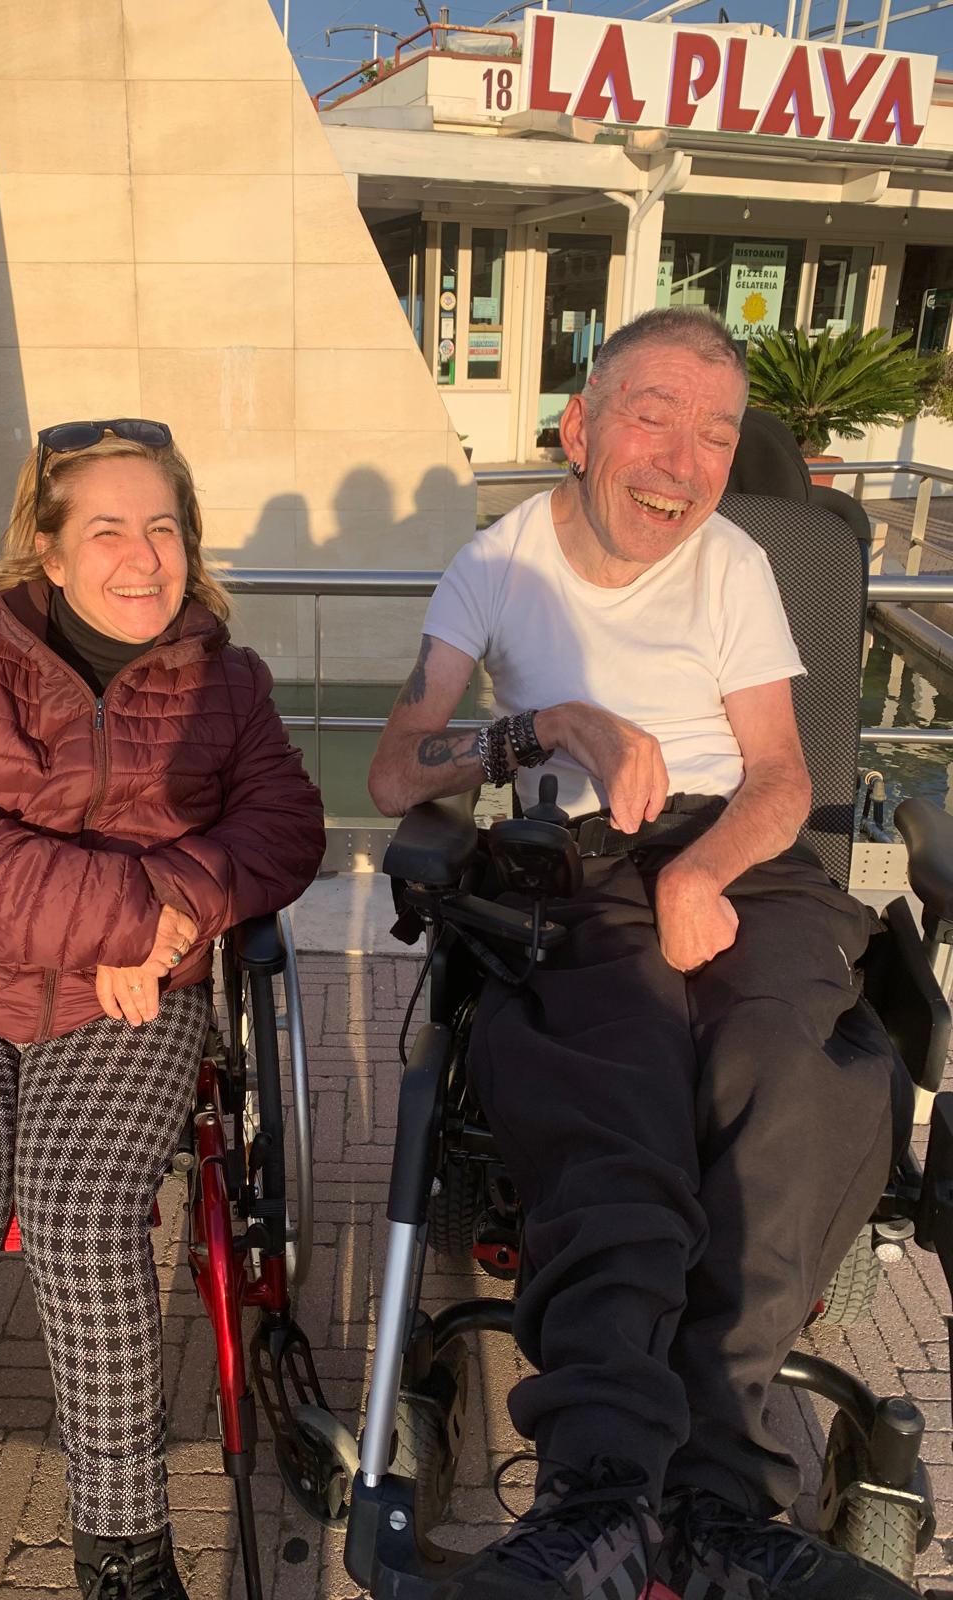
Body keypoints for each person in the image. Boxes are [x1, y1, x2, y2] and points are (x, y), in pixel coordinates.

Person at [369, 310, 908, 1600]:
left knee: (787, 1068)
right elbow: (396, 769)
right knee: (614, 1085)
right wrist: (550, 724)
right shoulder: (495, 565)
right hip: (571, 860)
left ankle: (715, 1504)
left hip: (739, 855)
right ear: (580, 427)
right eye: (655, 416)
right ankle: (604, 1494)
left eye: (718, 432)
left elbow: (781, 778)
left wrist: (700, 870)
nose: (684, 461)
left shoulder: (733, 563)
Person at [0, 421, 326, 1600]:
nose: (143, 556)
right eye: (108, 529)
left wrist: (179, 907)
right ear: (48, 552)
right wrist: (129, 915)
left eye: (163, 527)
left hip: (127, 1008)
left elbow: (284, 827)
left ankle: (125, 1552)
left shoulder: (228, 682)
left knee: (81, 1213)